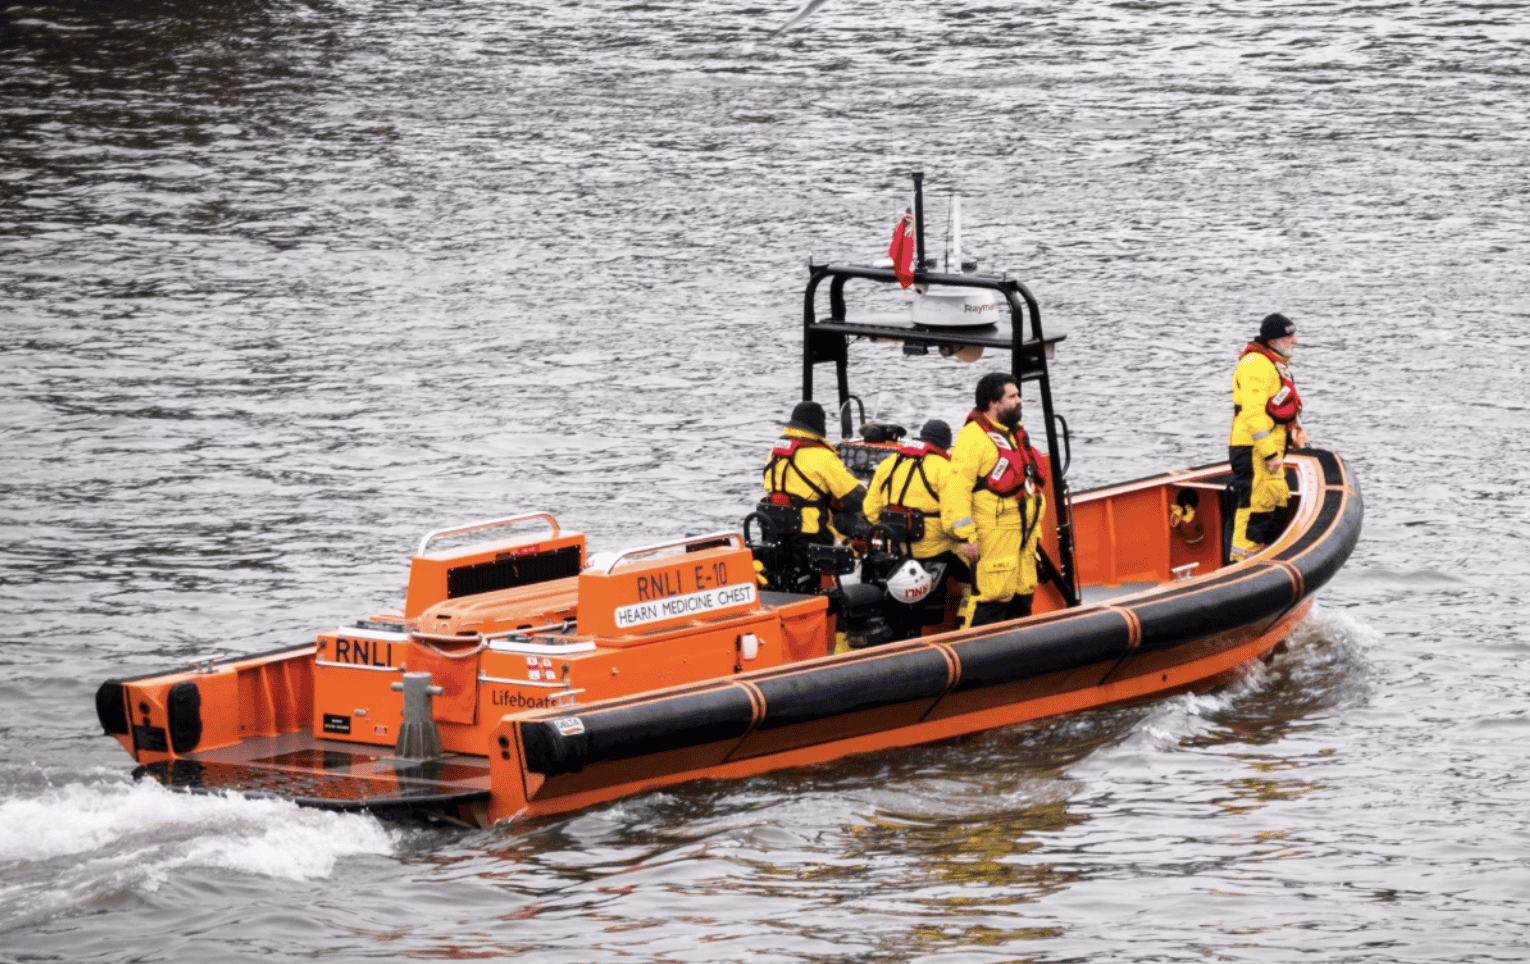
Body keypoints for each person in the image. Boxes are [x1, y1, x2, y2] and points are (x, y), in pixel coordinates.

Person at [941, 372, 1048, 629]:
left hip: (1022, 536)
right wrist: (967, 536)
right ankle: (975, 659)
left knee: (1022, 597)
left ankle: (1019, 659)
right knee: (990, 600)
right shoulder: (973, 438)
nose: (1019, 401)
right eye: (1012, 397)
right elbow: (956, 489)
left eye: (1018, 395)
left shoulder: (1014, 432)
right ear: (993, 403)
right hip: (994, 536)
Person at [862, 418, 971, 637]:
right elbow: (953, 525)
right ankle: (966, 629)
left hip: (895, 551)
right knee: (976, 574)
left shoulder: (888, 464)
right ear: (945, 445)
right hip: (934, 551)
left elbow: (870, 511)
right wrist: (970, 538)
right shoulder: (946, 470)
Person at [757, 400, 867, 592]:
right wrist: (868, 489)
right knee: (858, 553)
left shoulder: (775, 453)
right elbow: (855, 498)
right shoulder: (822, 457)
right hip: (814, 537)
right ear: (819, 427)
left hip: (779, 536)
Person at [1228, 312, 1307, 560]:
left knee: (1276, 499)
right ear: (1273, 340)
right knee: (1254, 506)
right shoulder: (1256, 365)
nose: (1294, 341)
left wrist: (1294, 432)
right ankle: (1240, 564)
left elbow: (1281, 407)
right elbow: (1253, 414)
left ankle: (1267, 556)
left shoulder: (1272, 363)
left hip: (1269, 449)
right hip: (1255, 449)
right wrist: (1269, 452)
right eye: (1289, 336)